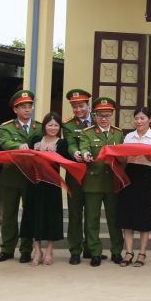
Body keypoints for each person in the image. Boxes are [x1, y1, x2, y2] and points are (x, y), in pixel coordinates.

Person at [0, 90, 39, 264]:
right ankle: (7, 249)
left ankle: (26, 250)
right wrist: (19, 146)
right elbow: (5, 143)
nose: (27, 110)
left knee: (29, 215)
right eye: (23, 107)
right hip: (12, 175)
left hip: (31, 177)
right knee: (9, 215)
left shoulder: (40, 126)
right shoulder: (6, 126)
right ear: (15, 110)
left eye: (29, 107)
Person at [79, 97, 125, 266]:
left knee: (114, 219)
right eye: (100, 115)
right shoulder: (87, 132)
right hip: (93, 181)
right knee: (92, 218)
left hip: (113, 181)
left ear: (112, 115)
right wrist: (85, 155)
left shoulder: (118, 133)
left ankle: (116, 251)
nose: (104, 118)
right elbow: (84, 147)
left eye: (107, 115)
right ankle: (95, 252)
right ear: (95, 115)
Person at [20, 113, 70, 266]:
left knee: (51, 217)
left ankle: (49, 250)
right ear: (44, 127)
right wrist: (24, 151)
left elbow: (64, 164)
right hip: (35, 184)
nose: (53, 128)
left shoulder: (62, 143)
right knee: (34, 216)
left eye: (56, 125)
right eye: (50, 125)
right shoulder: (35, 140)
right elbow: (28, 163)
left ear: (59, 127)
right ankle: (37, 250)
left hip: (52, 185)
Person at [117, 106, 151, 268]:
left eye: (142, 118)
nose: (139, 121)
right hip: (130, 174)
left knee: (143, 214)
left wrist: (143, 149)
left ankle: (142, 252)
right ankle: (128, 252)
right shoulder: (129, 136)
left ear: (150, 120)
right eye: (136, 118)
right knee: (128, 214)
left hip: (146, 175)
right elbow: (124, 160)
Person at [62, 88, 96, 265]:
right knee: (75, 212)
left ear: (88, 105)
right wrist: (76, 153)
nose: (78, 110)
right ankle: (75, 250)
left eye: (81, 106)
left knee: (92, 212)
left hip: (95, 174)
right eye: (74, 107)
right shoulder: (68, 125)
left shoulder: (100, 120)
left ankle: (91, 249)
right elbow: (70, 144)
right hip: (75, 174)